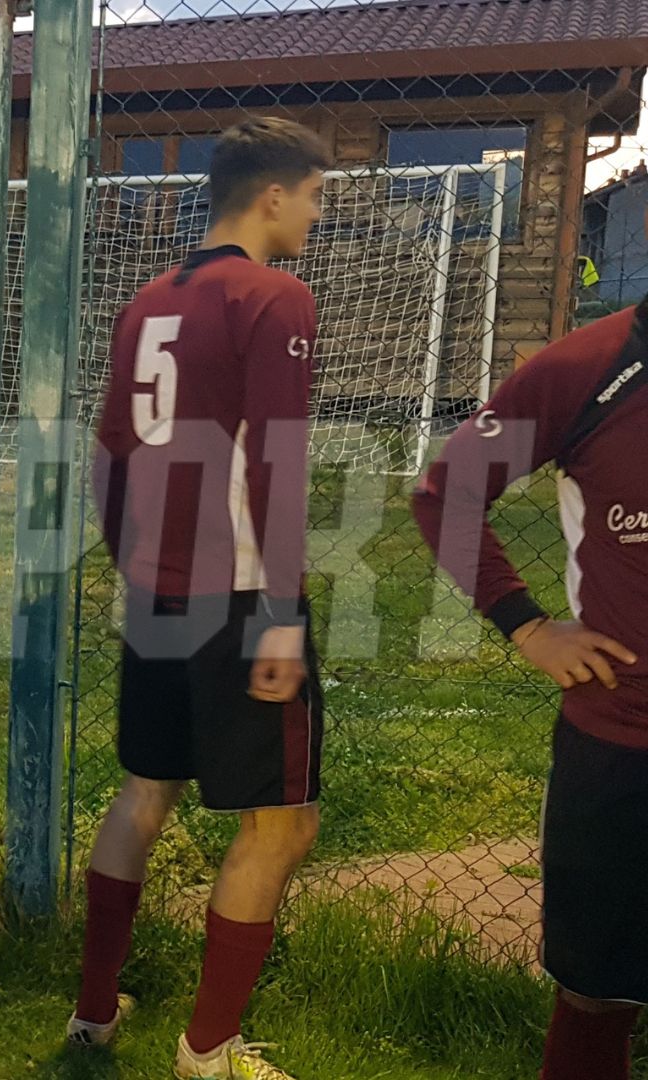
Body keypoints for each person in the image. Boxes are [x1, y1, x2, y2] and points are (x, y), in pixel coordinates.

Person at [73, 117, 330, 1080]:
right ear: (271, 196)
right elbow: (280, 464)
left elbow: (108, 451)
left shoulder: (147, 302)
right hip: (240, 597)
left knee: (145, 790)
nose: (314, 215)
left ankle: (93, 1014)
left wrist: (130, 557)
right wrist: (284, 616)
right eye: (313, 197)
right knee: (283, 821)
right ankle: (209, 1052)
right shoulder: (275, 297)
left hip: (156, 589)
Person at [412, 215, 648, 1080]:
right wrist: (528, 625)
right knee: (596, 993)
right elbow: (447, 493)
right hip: (623, 744)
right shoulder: (589, 369)